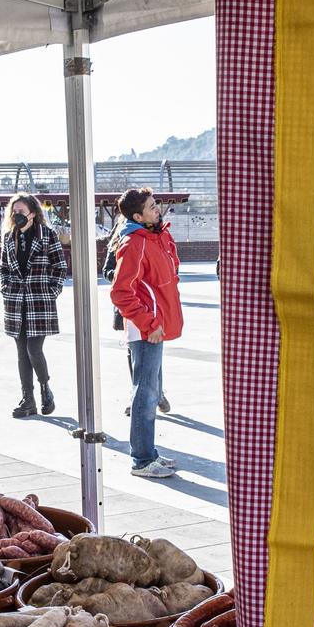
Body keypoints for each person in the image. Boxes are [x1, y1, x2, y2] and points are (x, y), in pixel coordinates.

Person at [110, 187, 183, 479]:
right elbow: (121, 292)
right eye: (151, 207)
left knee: (150, 388)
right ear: (137, 216)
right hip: (146, 329)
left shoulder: (156, 235)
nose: (157, 209)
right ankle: (141, 460)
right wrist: (149, 323)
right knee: (145, 391)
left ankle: (148, 453)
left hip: (157, 325)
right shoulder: (134, 242)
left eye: (156, 204)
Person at [0, 192, 67, 418]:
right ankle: (27, 399)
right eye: (14, 212)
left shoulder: (47, 235)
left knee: (33, 349)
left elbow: (60, 267)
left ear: (33, 213)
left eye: (21, 212)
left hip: (40, 302)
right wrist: (6, 287)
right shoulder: (9, 237)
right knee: (21, 352)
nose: (16, 215)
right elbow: (3, 267)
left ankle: (46, 390)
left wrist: (52, 291)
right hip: (16, 302)